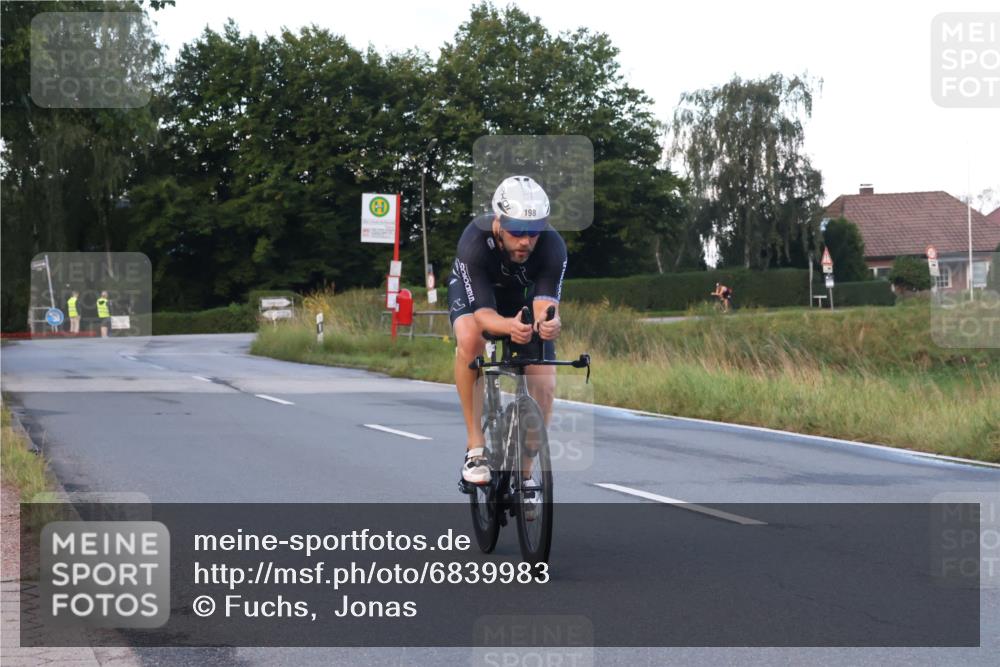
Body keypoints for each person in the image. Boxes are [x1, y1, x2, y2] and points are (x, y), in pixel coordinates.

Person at [449, 176, 567, 486]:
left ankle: (525, 476)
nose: (526, 241)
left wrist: (548, 324)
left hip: (521, 300)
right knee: (471, 339)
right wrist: (510, 327)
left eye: (534, 232)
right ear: (499, 223)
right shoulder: (476, 240)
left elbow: (544, 305)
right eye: (517, 231)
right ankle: (475, 447)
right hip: (478, 297)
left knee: (544, 384)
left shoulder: (553, 246)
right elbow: (485, 316)